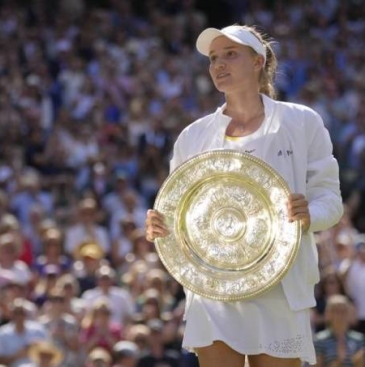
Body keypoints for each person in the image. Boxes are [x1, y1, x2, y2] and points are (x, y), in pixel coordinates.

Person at [145, 24, 343, 367]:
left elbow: (330, 199)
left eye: (230, 54)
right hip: (212, 290)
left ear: (257, 62)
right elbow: (180, 210)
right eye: (213, 58)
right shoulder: (192, 137)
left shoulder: (302, 122)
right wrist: (161, 225)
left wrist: (309, 213)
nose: (219, 64)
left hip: (281, 286)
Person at [314, 295, 364, 367]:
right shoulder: (319, 340)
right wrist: (338, 361)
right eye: (335, 311)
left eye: (343, 311)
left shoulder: (359, 339)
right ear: (328, 314)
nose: (340, 315)